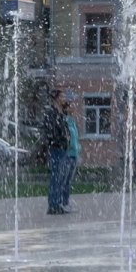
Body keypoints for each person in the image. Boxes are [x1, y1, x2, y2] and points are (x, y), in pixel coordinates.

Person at [41, 87, 77, 215]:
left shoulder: (59, 113)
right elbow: (49, 131)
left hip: (61, 149)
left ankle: (58, 204)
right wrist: (60, 138)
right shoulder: (51, 113)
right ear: (56, 98)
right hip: (56, 149)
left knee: (60, 178)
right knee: (55, 178)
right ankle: (53, 205)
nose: (64, 99)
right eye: (61, 97)